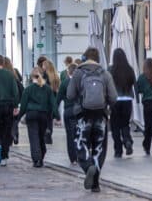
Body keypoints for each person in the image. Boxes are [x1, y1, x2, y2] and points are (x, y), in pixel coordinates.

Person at [67, 47, 117, 193]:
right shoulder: (105, 74)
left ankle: (88, 167)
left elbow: (70, 95)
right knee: (99, 148)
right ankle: (95, 183)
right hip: (101, 116)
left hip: (83, 116)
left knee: (81, 144)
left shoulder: (78, 73)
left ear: (84, 58)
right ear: (97, 59)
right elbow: (114, 97)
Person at [19, 67, 59, 167]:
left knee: (33, 137)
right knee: (41, 137)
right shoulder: (47, 89)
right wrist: (56, 115)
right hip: (43, 115)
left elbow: (23, 105)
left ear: (32, 77)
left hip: (31, 114)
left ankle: (37, 159)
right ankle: (41, 155)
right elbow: (53, 103)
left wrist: (19, 116)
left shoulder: (28, 89)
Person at [108, 48, 136, 157]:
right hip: (127, 100)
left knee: (115, 125)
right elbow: (135, 83)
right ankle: (127, 140)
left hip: (115, 100)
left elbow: (107, 85)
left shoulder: (111, 70)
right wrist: (137, 98)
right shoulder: (129, 69)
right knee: (125, 123)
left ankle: (118, 149)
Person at [56, 63, 79, 164]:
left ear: (68, 71)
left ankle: (73, 158)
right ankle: (80, 154)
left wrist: (55, 114)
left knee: (70, 135)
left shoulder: (65, 83)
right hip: (80, 111)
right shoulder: (81, 82)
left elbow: (58, 99)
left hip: (69, 110)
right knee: (80, 133)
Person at [3, 57, 24, 145]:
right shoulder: (15, 75)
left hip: (5, 103)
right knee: (14, 121)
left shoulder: (3, 77)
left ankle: (10, 136)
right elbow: (22, 88)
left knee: (6, 122)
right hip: (16, 102)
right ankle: (15, 134)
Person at [39, 58, 60, 145]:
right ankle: (49, 135)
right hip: (52, 101)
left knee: (44, 119)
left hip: (44, 101)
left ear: (46, 67)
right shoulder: (55, 76)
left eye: (43, 65)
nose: (42, 67)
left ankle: (45, 135)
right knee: (49, 119)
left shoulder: (44, 76)